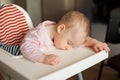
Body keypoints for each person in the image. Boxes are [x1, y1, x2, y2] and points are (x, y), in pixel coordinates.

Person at [20, 11, 110, 66]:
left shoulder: (62, 35)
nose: (69, 48)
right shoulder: (38, 34)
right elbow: (25, 46)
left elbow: (78, 42)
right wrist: (43, 58)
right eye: (69, 43)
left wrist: (94, 42)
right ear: (61, 29)